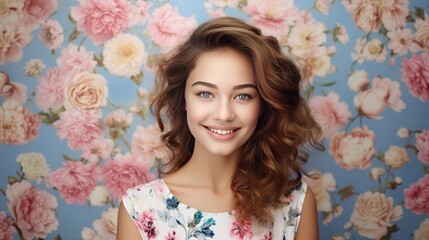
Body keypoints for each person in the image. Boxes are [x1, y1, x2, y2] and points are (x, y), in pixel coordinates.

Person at [117, 16, 324, 240]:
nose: (224, 114)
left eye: (243, 96)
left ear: (263, 105)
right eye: (205, 94)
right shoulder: (140, 208)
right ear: (184, 99)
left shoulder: (295, 204)